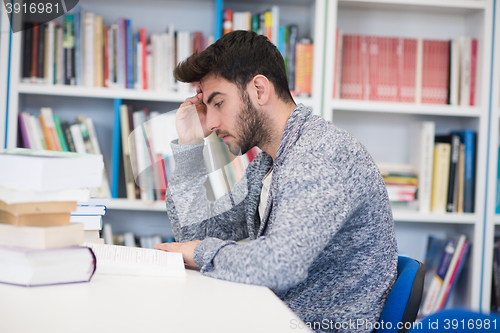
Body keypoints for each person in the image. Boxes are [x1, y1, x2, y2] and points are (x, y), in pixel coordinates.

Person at [154, 30, 398, 332]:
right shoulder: (268, 164)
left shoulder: (321, 153)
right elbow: (192, 232)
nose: (212, 122)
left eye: (218, 103)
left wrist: (202, 252)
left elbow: (279, 264)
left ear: (259, 89)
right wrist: (189, 146)